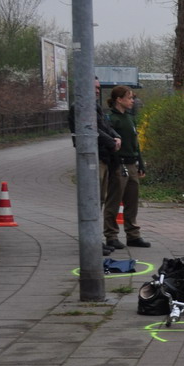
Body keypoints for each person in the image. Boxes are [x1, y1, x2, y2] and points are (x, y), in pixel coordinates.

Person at [69, 77, 122, 256]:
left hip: (102, 157)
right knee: (92, 200)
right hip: (91, 159)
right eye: (95, 88)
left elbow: (104, 126)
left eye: (99, 88)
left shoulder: (95, 106)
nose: (98, 91)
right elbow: (91, 129)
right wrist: (111, 141)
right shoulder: (79, 107)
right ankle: (91, 241)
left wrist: (116, 137)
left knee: (99, 199)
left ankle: (95, 239)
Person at [105, 86, 150, 248]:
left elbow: (135, 143)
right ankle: (111, 235)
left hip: (132, 163)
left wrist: (141, 163)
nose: (132, 101)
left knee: (132, 201)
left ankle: (133, 235)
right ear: (119, 99)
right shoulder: (111, 118)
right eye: (129, 98)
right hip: (119, 164)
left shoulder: (130, 118)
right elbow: (110, 142)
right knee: (114, 201)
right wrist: (115, 162)